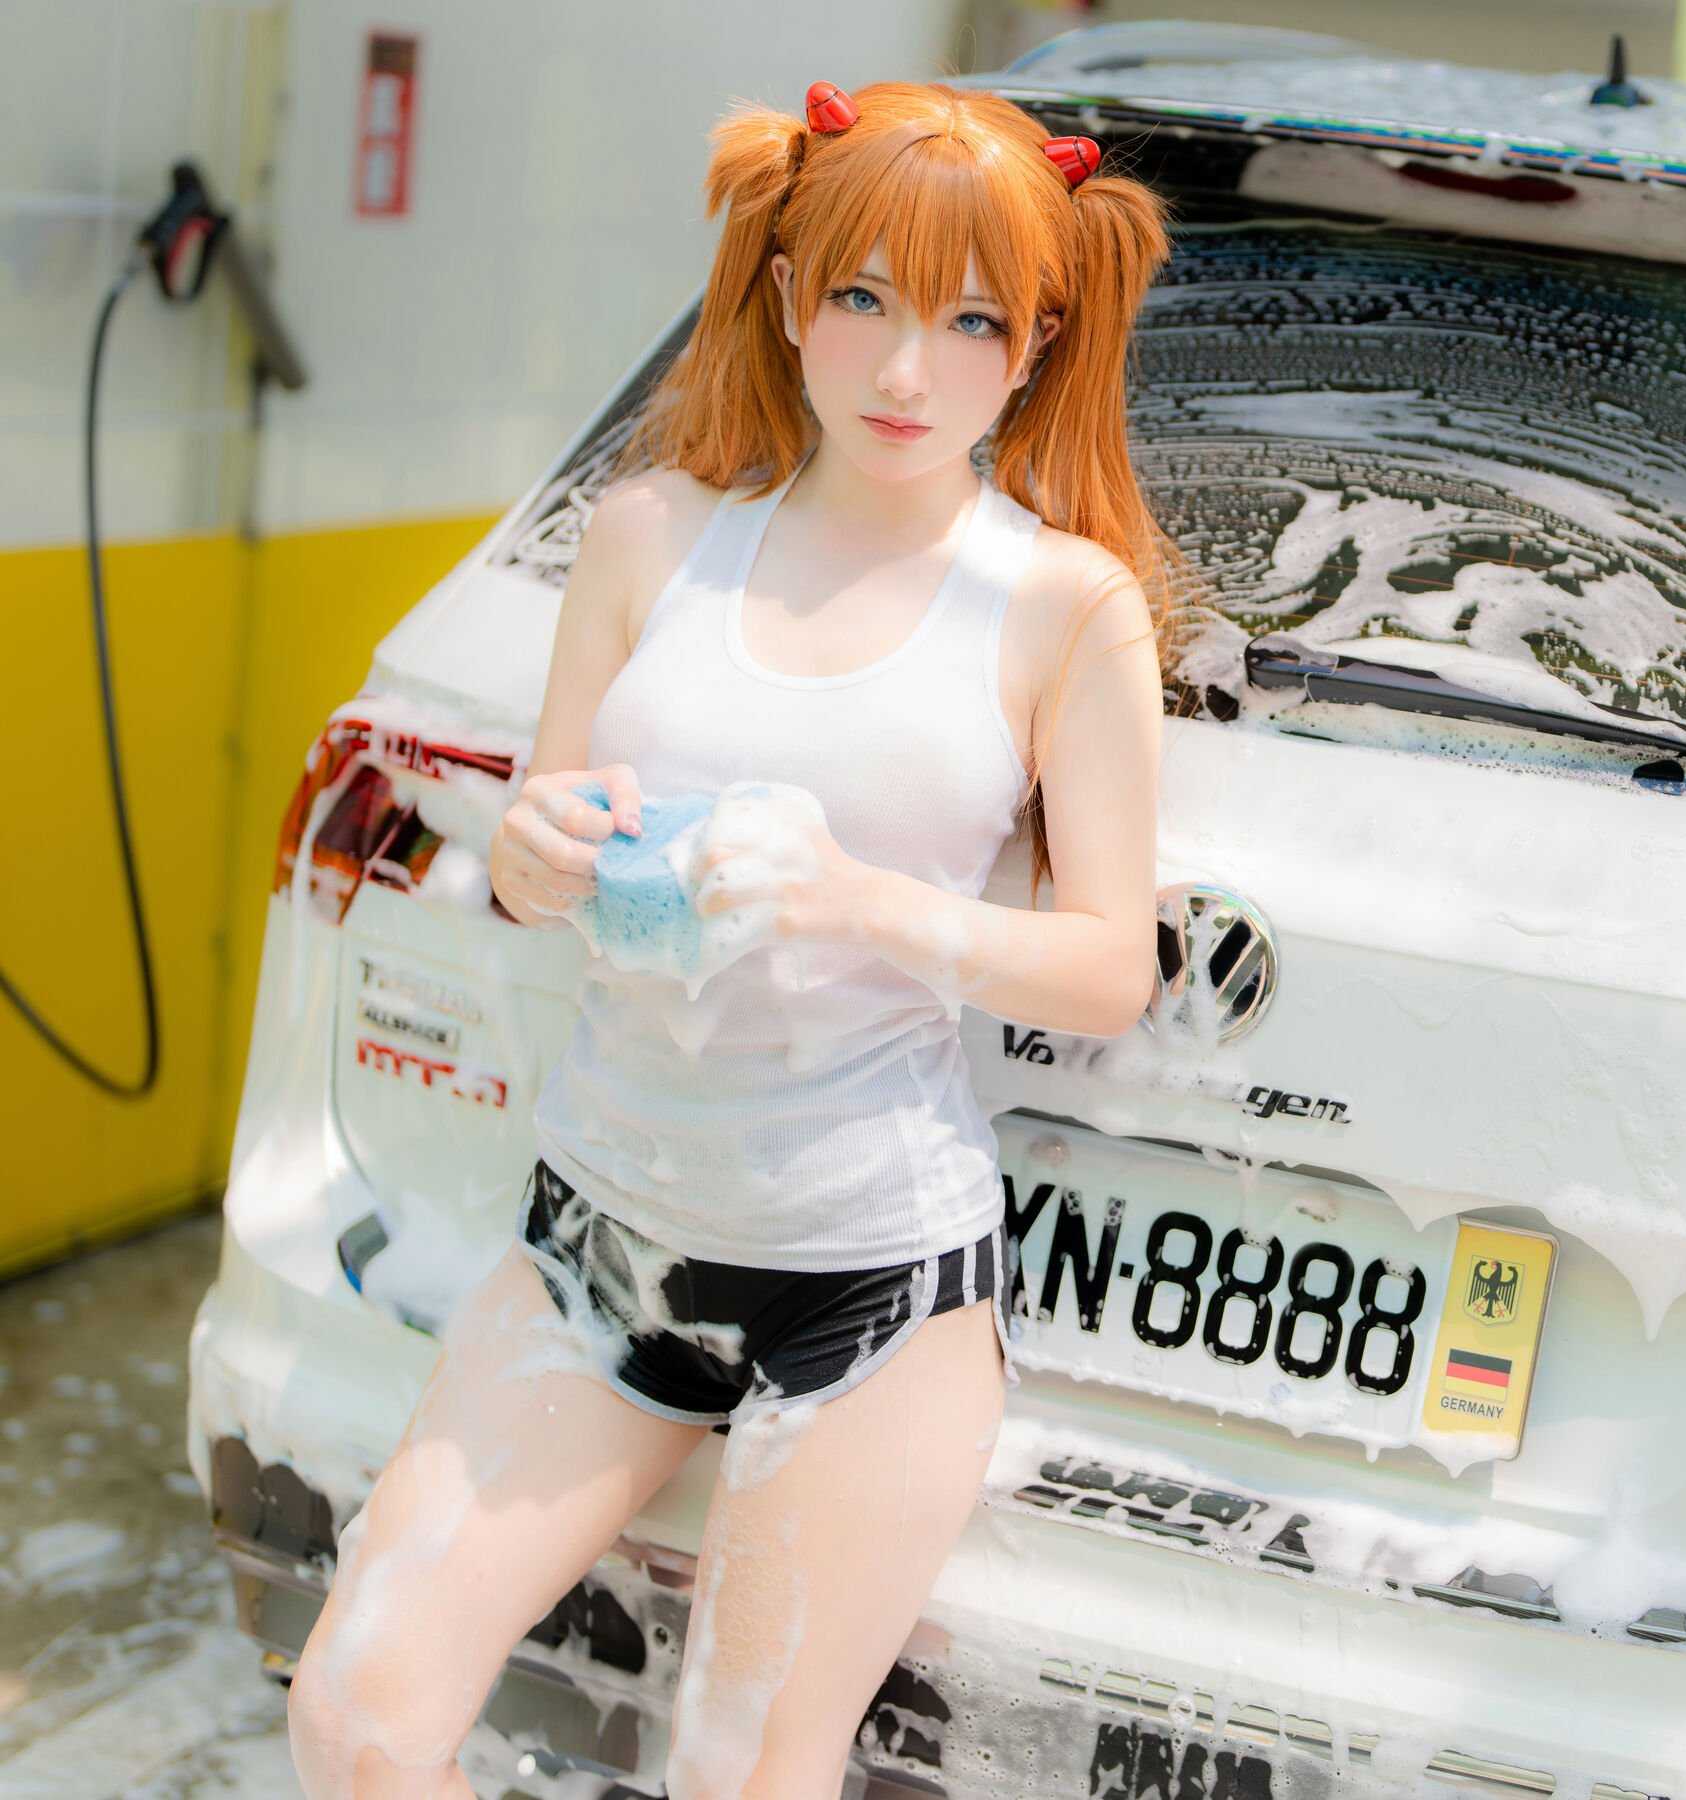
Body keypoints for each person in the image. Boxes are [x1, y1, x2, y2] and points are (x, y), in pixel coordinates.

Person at [285, 79, 1178, 1797]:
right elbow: (542, 862)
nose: (905, 370)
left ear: (1039, 344)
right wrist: (536, 853)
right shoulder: (653, 540)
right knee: (356, 1722)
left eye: (969, 321)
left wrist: (863, 904)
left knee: (738, 1781)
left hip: (872, 1289)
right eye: (862, 298)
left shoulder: (1063, 607)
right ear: (784, 292)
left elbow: (1109, 967)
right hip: (598, 1242)